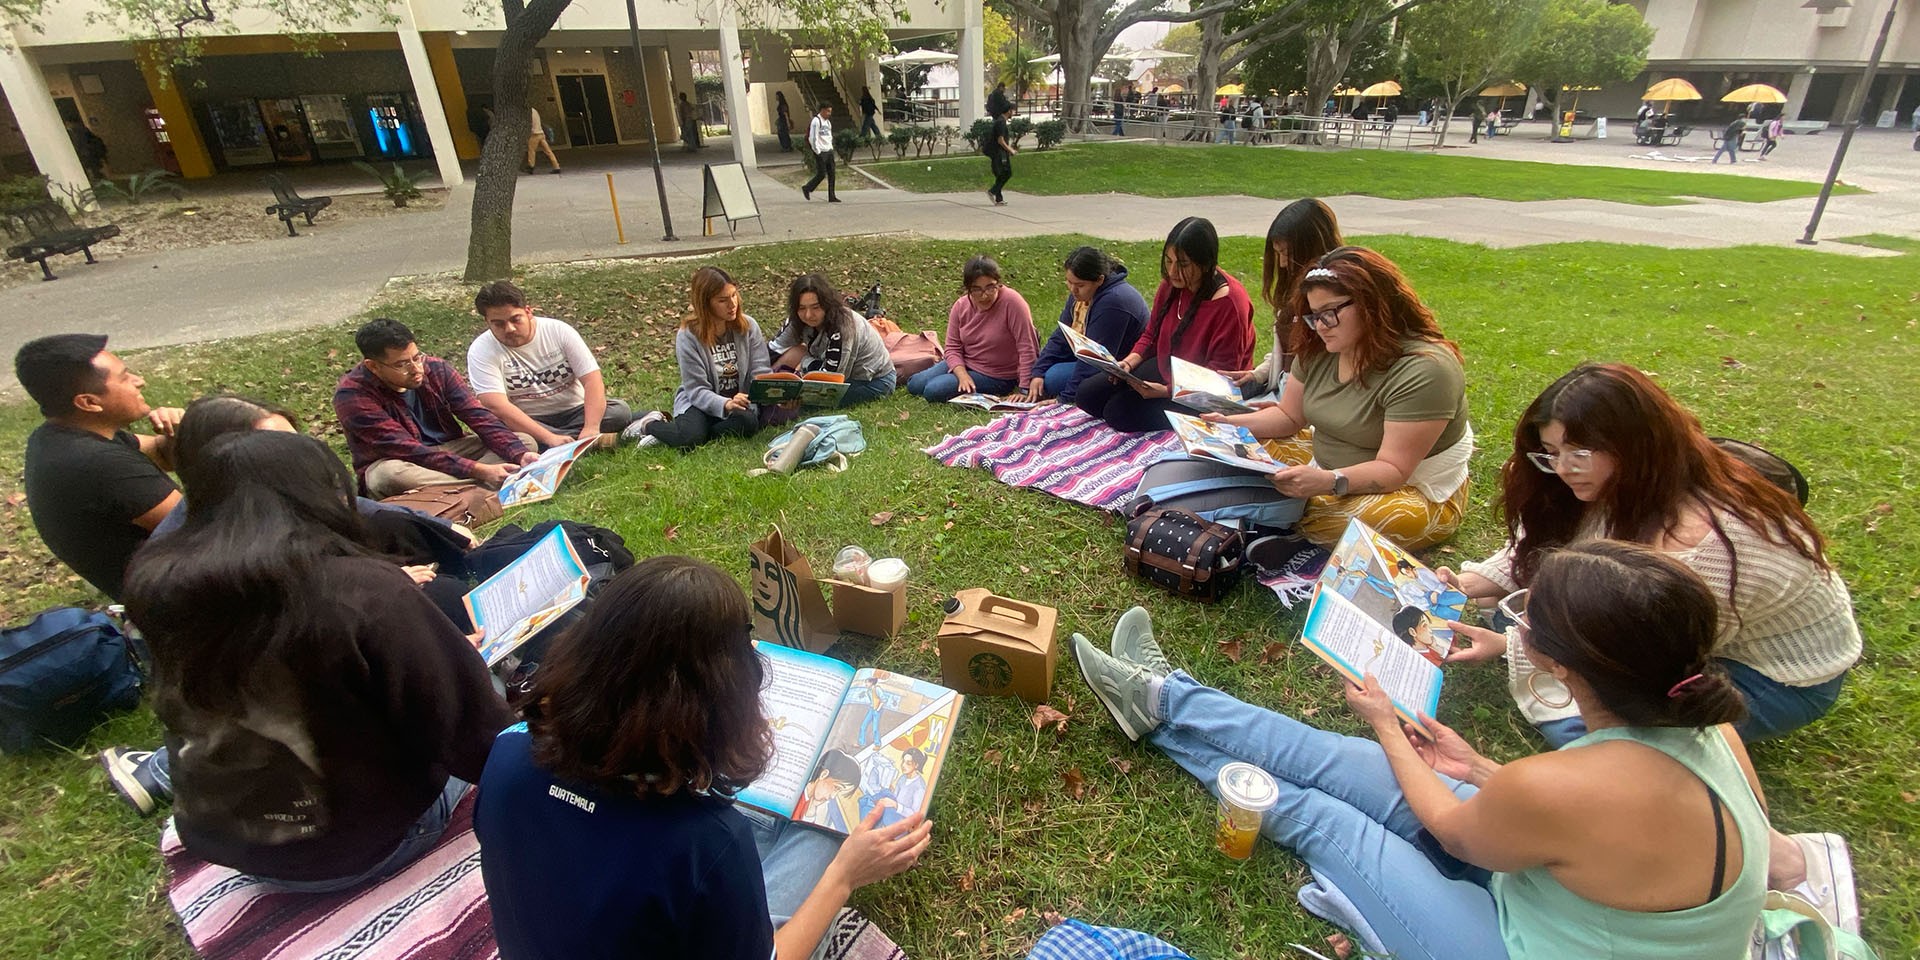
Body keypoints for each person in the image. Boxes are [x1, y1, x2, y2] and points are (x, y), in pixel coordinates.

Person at [1073, 541, 1788, 960]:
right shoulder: (1703, 721)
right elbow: (1609, 832)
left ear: (1565, 664)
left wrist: (1387, 722)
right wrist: (1477, 768)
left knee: (1326, 817)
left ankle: (1156, 715)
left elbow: (1453, 833)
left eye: (1524, 613)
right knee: (1332, 758)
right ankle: (1169, 693)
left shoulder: (1562, 785)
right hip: (1563, 888)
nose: (1515, 615)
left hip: (1514, 943)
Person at [100, 430, 512, 895]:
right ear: (320, 495)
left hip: (225, 841)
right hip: (357, 848)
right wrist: (463, 662)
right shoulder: (363, 591)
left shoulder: (154, 581)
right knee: (490, 684)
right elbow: (475, 738)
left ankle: (155, 773)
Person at [474, 555, 931, 959]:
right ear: (712, 706)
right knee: (822, 837)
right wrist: (845, 877)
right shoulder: (704, 840)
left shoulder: (507, 754)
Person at [1444, 363, 1861, 745]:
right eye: (1551, 453)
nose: (1563, 468)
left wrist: (1509, 646)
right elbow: (1547, 544)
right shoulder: (1627, 483)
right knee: (1518, 615)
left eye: (1578, 453)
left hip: (1769, 676)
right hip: (1679, 631)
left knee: (1600, 737)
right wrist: (1475, 582)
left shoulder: (1707, 544)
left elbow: (1647, 653)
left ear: (1635, 446)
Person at [1206, 246, 1469, 548]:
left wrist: (1330, 481)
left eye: (1329, 313)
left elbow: (1393, 470)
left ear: (1373, 304)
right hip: (1325, 464)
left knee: (1387, 518)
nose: (1319, 326)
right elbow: (1289, 416)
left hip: (1409, 488)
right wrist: (1226, 423)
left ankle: (1272, 523)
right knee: (1238, 450)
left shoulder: (1425, 370)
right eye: (1314, 316)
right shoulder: (1319, 346)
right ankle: (1278, 522)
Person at [149, 395, 478, 628]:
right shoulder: (200, 556)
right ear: (228, 456)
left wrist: (436, 526)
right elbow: (293, 619)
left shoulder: (272, 496)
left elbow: (353, 507)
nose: (301, 452)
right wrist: (381, 586)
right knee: (445, 597)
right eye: (279, 445)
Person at [16, 333, 181, 602]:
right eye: (125, 377)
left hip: (166, 579)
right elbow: (208, 529)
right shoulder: (99, 464)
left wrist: (177, 433)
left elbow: (164, 455)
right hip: (179, 601)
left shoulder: (62, 434)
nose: (140, 381)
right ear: (89, 402)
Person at [1075, 217, 1254, 433]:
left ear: (1205, 263)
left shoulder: (1230, 304)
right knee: (1087, 395)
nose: (1172, 271)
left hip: (1204, 393)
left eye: (1183, 264)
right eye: (1168, 261)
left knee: (1118, 413)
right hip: (1168, 367)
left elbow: (1218, 378)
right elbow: (1151, 334)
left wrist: (1166, 391)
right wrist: (1128, 364)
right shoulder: (1171, 285)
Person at [333, 317, 538, 499]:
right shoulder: (352, 395)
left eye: (416, 357)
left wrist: (519, 453)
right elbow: (408, 450)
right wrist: (479, 470)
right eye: (402, 364)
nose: (415, 369)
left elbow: (477, 416)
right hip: (400, 460)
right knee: (386, 477)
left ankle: (460, 491)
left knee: (523, 441)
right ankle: (484, 489)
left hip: (451, 449)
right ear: (373, 366)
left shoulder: (436, 369)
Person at [467, 280, 633, 448]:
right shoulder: (481, 350)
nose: (509, 328)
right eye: (499, 324)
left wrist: (591, 428)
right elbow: (496, 405)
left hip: (575, 411)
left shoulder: (558, 330)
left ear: (528, 312)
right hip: (527, 421)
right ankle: (577, 442)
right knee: (498, 429)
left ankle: (571, 442)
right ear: (487, 322)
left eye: (515, 319)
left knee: (619, 411)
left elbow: (592, 380)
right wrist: (548, 437)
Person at [629, 266, 773, 450]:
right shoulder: (688, 335)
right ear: (705, 304)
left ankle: (685, 433)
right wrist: (726, 403)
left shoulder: (748, 326)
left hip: (739, 403)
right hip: (699, 402)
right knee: (690, 439)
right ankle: (648, 423)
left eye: (734, 295)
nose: (732, 304)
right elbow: (696, 389)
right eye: (722, 300)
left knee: (748, 423)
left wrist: (776, 394)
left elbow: (760, 373)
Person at [1230, 199, 1345, 397]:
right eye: (1278, 253)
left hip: (1305, 405)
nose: (1282, 263)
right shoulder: (1294, 289)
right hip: (1282, 394)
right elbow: (1288, 352)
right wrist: (1258, 374)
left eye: (1286, 253)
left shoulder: (1333, 296)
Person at [906, 255, 1038, 403]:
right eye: (977, 290)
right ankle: (951, 377)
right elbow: (952, 346)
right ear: (968, 289)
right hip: (967, 362)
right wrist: (962, 374)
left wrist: (1025, 388)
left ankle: (961, 383)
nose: (985, 295)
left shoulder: (1013, 302)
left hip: (997, 374)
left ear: (999, 284)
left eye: (991, 287)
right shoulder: (961, 306)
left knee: (933, 390)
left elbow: (1027, 346)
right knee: (915, 385)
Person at [1027, 246, 1148, 403]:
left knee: (1053, 378)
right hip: (1084, 356)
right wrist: (1038, 372)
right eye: (1069, 282)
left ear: (1100, 280)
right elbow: (1061, 335)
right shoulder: (1080, 295)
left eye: (1079, 285)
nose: (1073, 290)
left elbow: (1095, 358)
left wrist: (1063, 400)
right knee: (1048, 372)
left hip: (1121, 367)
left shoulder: (1113, 302)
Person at [770, 273, 898, 406]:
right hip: (827, 367)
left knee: (806, 404)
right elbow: (773, 349)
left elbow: (830, 383)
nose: (808, 315)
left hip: (873, 380)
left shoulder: (843, 327)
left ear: (827, 304)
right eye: (802, 308)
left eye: (815, 307)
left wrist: (796, 394)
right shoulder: (796, 320)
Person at [801, 104, 838, 202]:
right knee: (821, 174)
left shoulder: (828, 122)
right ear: (822, 110)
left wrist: (830, 147)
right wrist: (817, 150)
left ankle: (832, 196)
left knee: (832, 173)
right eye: (828, 111)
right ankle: (807, 188)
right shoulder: (816, 121)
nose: (829, 113)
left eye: (830, 111)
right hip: (821, 152)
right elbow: (812, 137)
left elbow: (829, 136)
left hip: (828, 150)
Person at [986, 102, 1016, 205]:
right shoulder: (1001, 122)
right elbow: (1000, 140)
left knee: (1000, 174)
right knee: (1006, 173)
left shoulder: (1001, 121)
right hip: (999, 153)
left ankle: (998, 199)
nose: (1014, 112)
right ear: (1009, 111)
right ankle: (993, 191)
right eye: (1013, 110)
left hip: (999, 152)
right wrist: (1010, 150)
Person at [525, 105, 561, 174]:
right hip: (541, 133)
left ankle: (531, 166)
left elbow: (529, 123)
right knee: (548, 151)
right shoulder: (535, 111)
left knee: (531, 151)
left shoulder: (528, 112)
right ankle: (556, 166)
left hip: (534, 134)